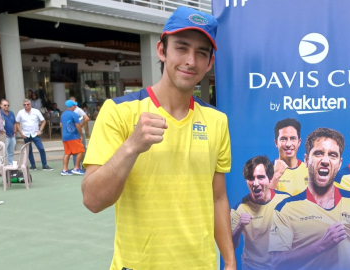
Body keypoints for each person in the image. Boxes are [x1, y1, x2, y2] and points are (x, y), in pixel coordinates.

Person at [81, 7, 236, 270]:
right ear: (162, 51)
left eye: (202, 53)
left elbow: (218, 198)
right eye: (181, 48)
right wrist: (131, 146)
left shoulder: (217, 120)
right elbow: (93, 200)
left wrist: (230, 262)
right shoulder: (118, 111)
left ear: (209, 63)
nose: (191, 60)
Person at [269, 128, 350, 270]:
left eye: (332, 155)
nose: (325, 160)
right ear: (306, 160)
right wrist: (320, 246)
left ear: (339, 163)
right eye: (318, 153)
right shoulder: (285, 209)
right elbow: (276, 262)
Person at [231, 155, 289, 270]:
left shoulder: (286, 202)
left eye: (260, 177)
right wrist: (239, 227)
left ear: (270, 179)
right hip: (251, 267)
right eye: (251, 178)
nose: (255, 183)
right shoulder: (239, 208)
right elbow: (231, 245)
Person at [269, 118, 308, 196]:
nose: (288, 144)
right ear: (276, 143)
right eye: (283, 139)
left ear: (299, 142)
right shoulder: (266, 170)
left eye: (293, 139)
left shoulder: (308, 170)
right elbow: (261, 202)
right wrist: (276, 176)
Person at [16, 99, 53, 171]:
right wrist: (21, 133)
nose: (26, 106)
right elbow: (17, 123)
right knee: (29, 150)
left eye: (27, 104)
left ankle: (44, 165)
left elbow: (43, 121)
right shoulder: (20, 112)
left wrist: (41, 130)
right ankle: (33, 166)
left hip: (35, 133)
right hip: (26, 134)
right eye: (24, 105)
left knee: (41, 148)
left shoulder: (36, 111)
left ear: (31, 104)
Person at [60, 100, 85, 176]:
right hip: (73, 136)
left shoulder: (63, 114)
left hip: (65, 136)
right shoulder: (74, 114)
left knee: (67, 153)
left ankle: (65, 169)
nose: (75, 107)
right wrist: (81, 135)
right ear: (72, 106)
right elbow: (78, 126)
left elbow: (61, 125)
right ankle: (76, 168)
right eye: (74, 105)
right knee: (81, 150)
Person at [69, 96, 89, 170]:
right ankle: (76, 167)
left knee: (82, 149)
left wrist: (81, 125)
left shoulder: (78, 110)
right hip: (72, 132)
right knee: (75, 150)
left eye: (74, 102)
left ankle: (83, 166)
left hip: (80, 132)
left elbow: (86, 118)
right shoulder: (69, 111)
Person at [0, 99, 17, 165]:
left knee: (11, 152)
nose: (7, 106)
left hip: (12, 136)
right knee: (3, 152)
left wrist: (15, 133)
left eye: (8, 105)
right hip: (4, 136)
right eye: (5, 105)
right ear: (1, 105)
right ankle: (3, 166)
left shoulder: (11, 113)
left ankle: (10, 165)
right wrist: (3, 134)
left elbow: (14, 123)